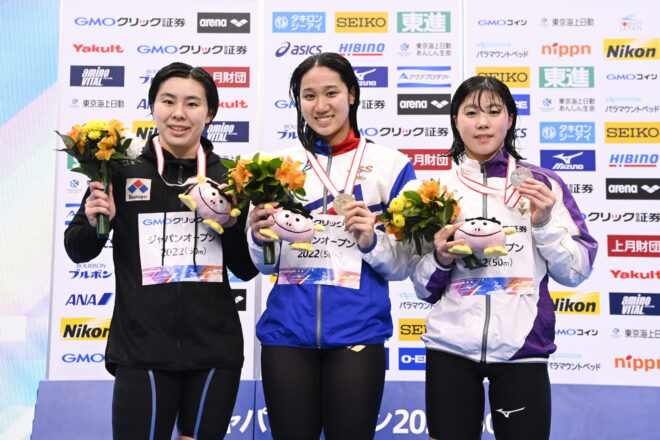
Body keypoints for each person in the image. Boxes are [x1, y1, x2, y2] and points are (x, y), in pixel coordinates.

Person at [64, 62, 258, 440]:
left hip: (214, 350)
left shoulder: (230, 177)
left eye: (192, 103)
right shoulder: (119, 170)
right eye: (168, 101)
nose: (178, 113)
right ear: (153, 106)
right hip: (140, 347)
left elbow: (247, 269)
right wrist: (93, 222)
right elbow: (77, 250)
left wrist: (233, 224)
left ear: (210, 113)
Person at [407, 75, 598, 440]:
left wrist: (543, 224)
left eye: (494, 111)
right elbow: (422, 288)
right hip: (450, 350)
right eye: (471, 113)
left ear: (509, 119)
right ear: (455, 120)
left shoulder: (543, 185)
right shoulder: (433, 192)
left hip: (523, 349)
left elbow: (577, 271)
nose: (483, 122)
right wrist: (441, 259)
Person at [247, 52, 416, 439]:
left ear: (352, 94)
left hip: (358, 332)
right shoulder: (278, 166)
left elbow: (402, 265)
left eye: (331, 93)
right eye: (309, 96)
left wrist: (372, 241)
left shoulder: (391, 165)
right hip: (286, 334)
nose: (320, 105)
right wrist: (258, 239)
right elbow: (266, 264)